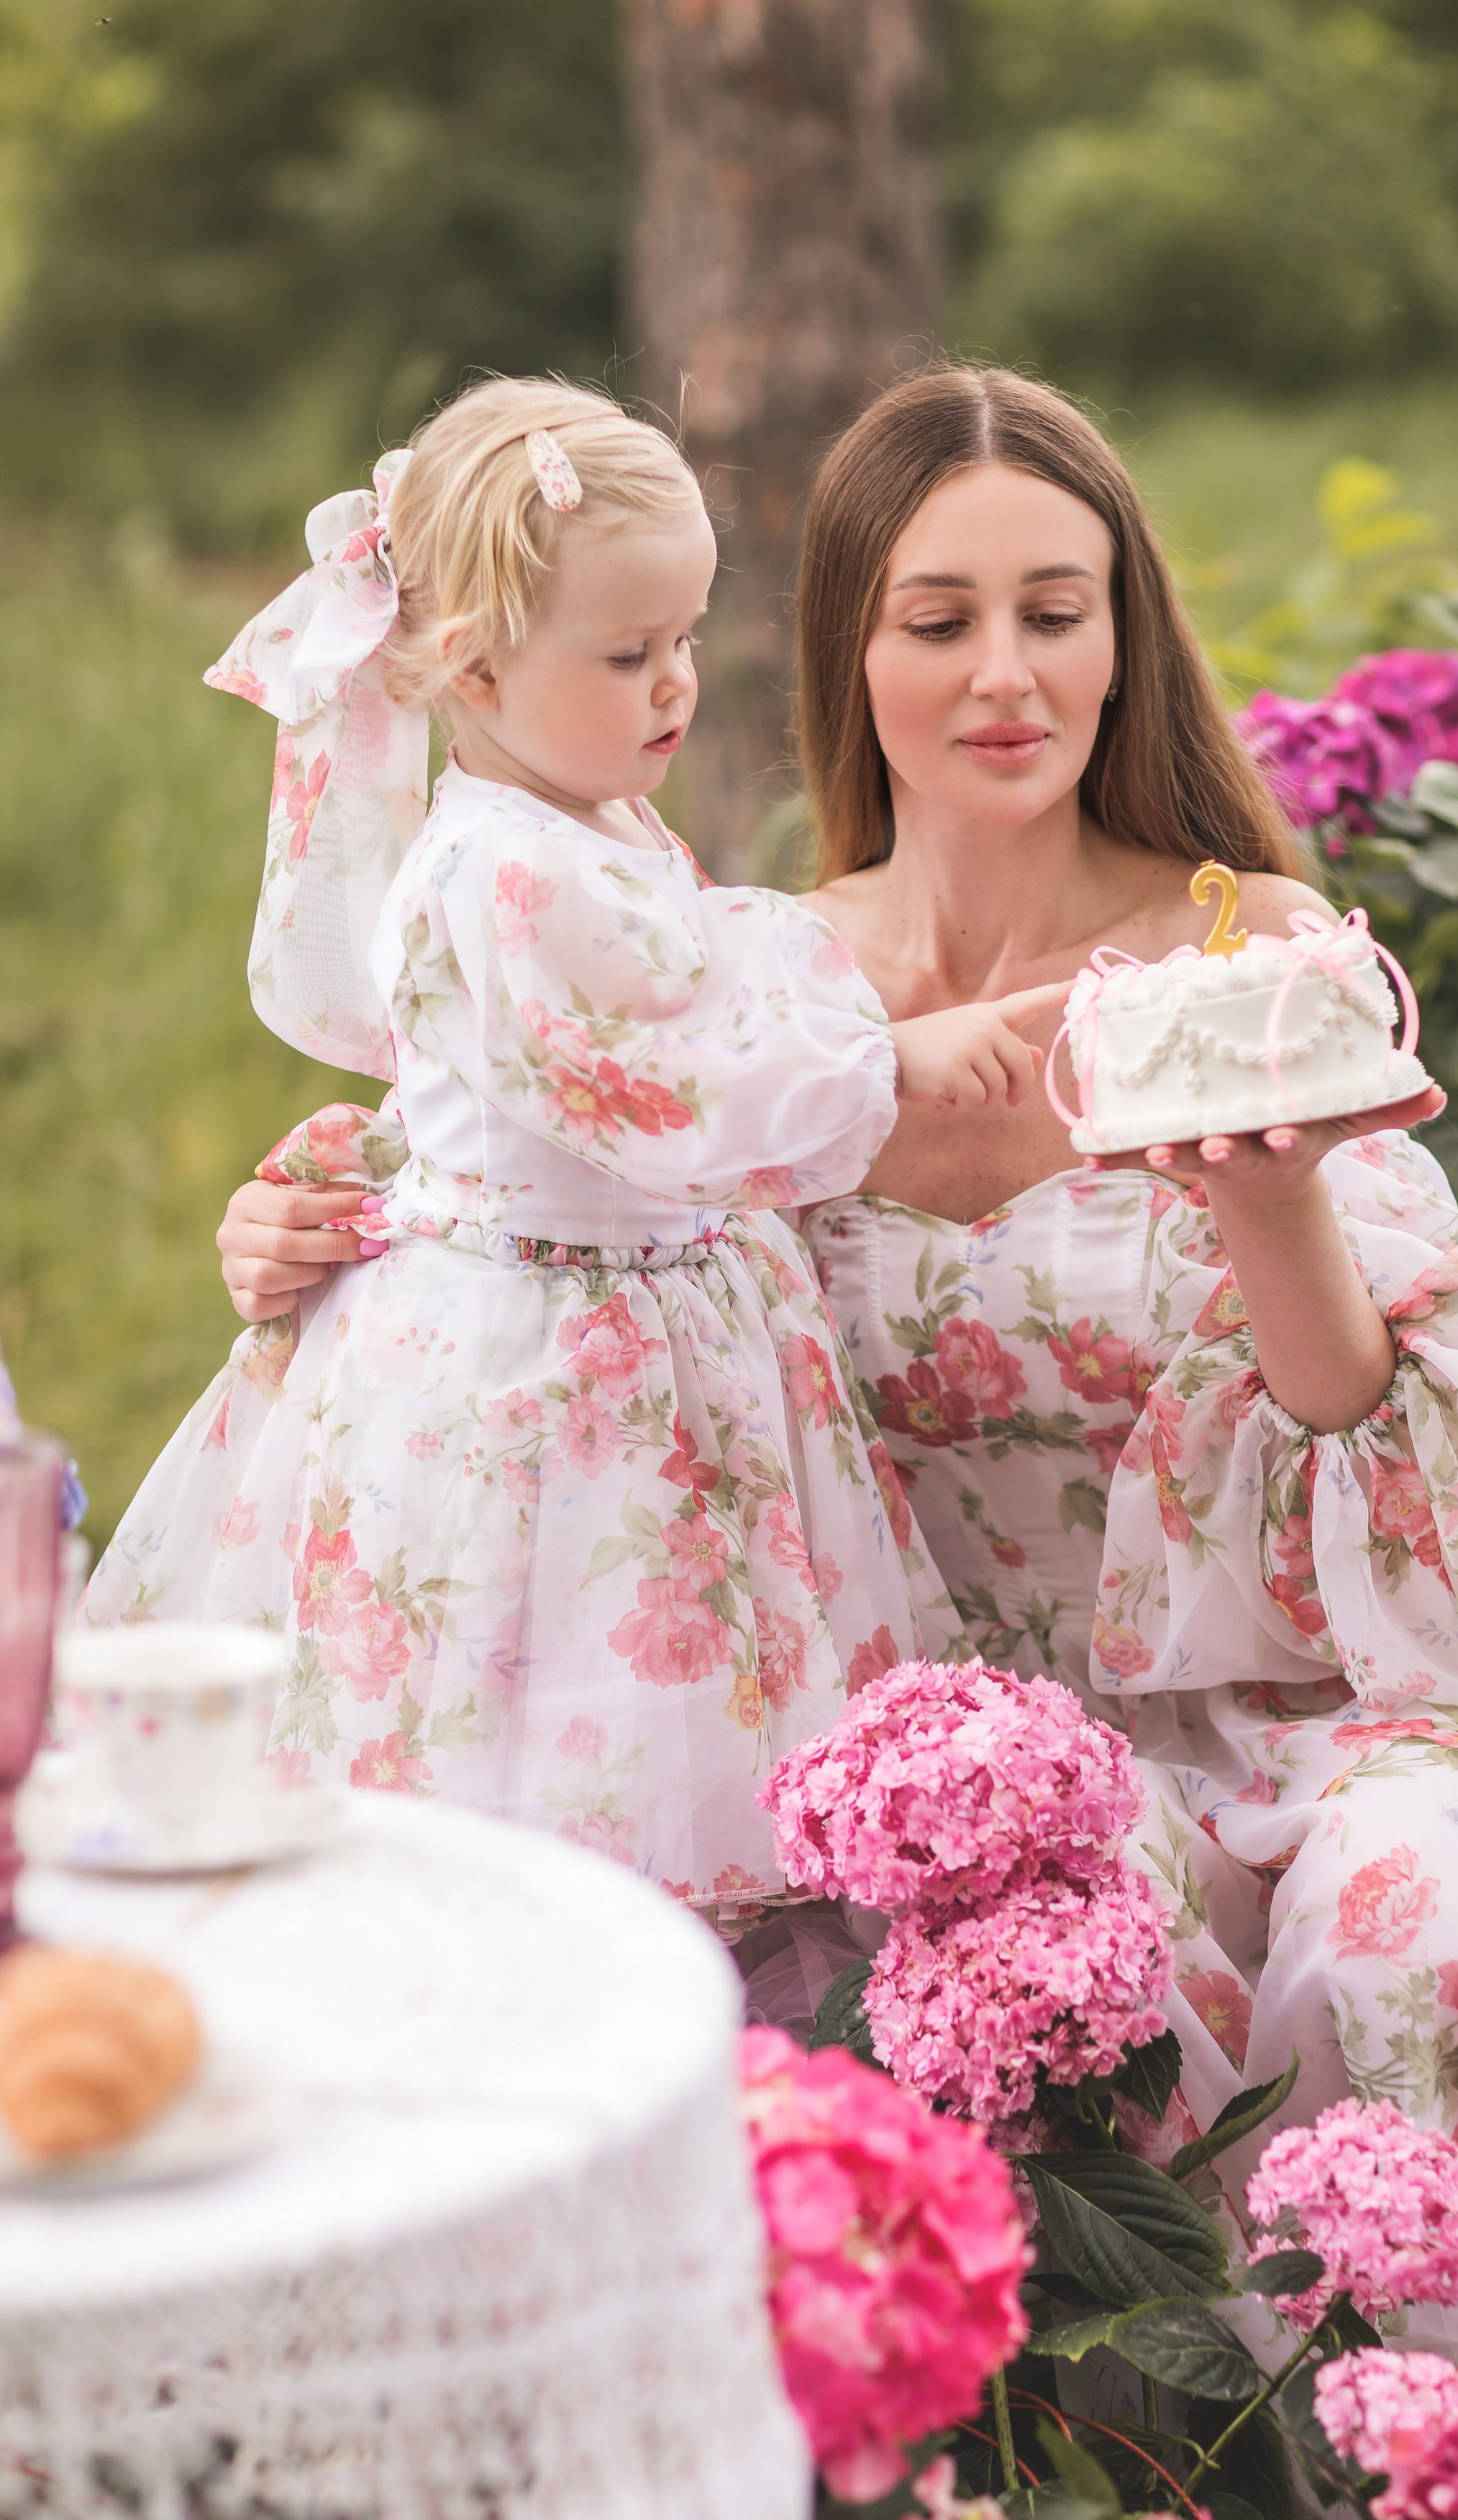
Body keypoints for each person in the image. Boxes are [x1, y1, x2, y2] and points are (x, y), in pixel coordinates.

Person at [217, 368, 1458, 2458]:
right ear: (850, 651)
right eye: (940, 618)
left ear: (1122, 636)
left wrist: (1271, 1202)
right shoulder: (743, 981)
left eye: (1056, 613)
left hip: (1329, 1670)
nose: (1005, 673)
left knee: (1409, 1896)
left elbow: (1408, 1453)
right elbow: (508, 1201)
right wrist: (302, 1226)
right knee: (869, 1983)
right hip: (932, 1725)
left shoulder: (1236, 956)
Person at [83, 375, 1077, 1905]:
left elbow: (673, 998)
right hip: (546, 1359)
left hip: (647, 1313)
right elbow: (661, 1081)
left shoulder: (593, 818)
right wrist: (886, 1058)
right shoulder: (502, 869)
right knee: (546, 1693)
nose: (676, 684)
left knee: (681, 1684)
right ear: (475, 667)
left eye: (685, 639)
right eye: (628, 654)